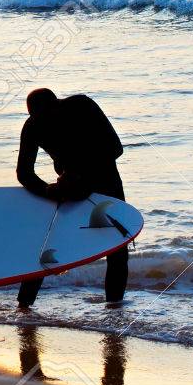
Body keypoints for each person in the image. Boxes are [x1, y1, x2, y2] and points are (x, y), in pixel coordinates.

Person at [15, 87, 129, 309]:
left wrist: (81, 173)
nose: (43, 121)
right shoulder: (33, 126)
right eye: (36, 117)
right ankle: (24, 308)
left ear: (58, 105)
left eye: (46, 115)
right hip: (68, 188)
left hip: (105, 180)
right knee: (45, 245)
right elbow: (24, 172)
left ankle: (114, 309)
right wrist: (47, 190)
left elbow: (115, 148)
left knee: (117, 247)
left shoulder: (82, 107)